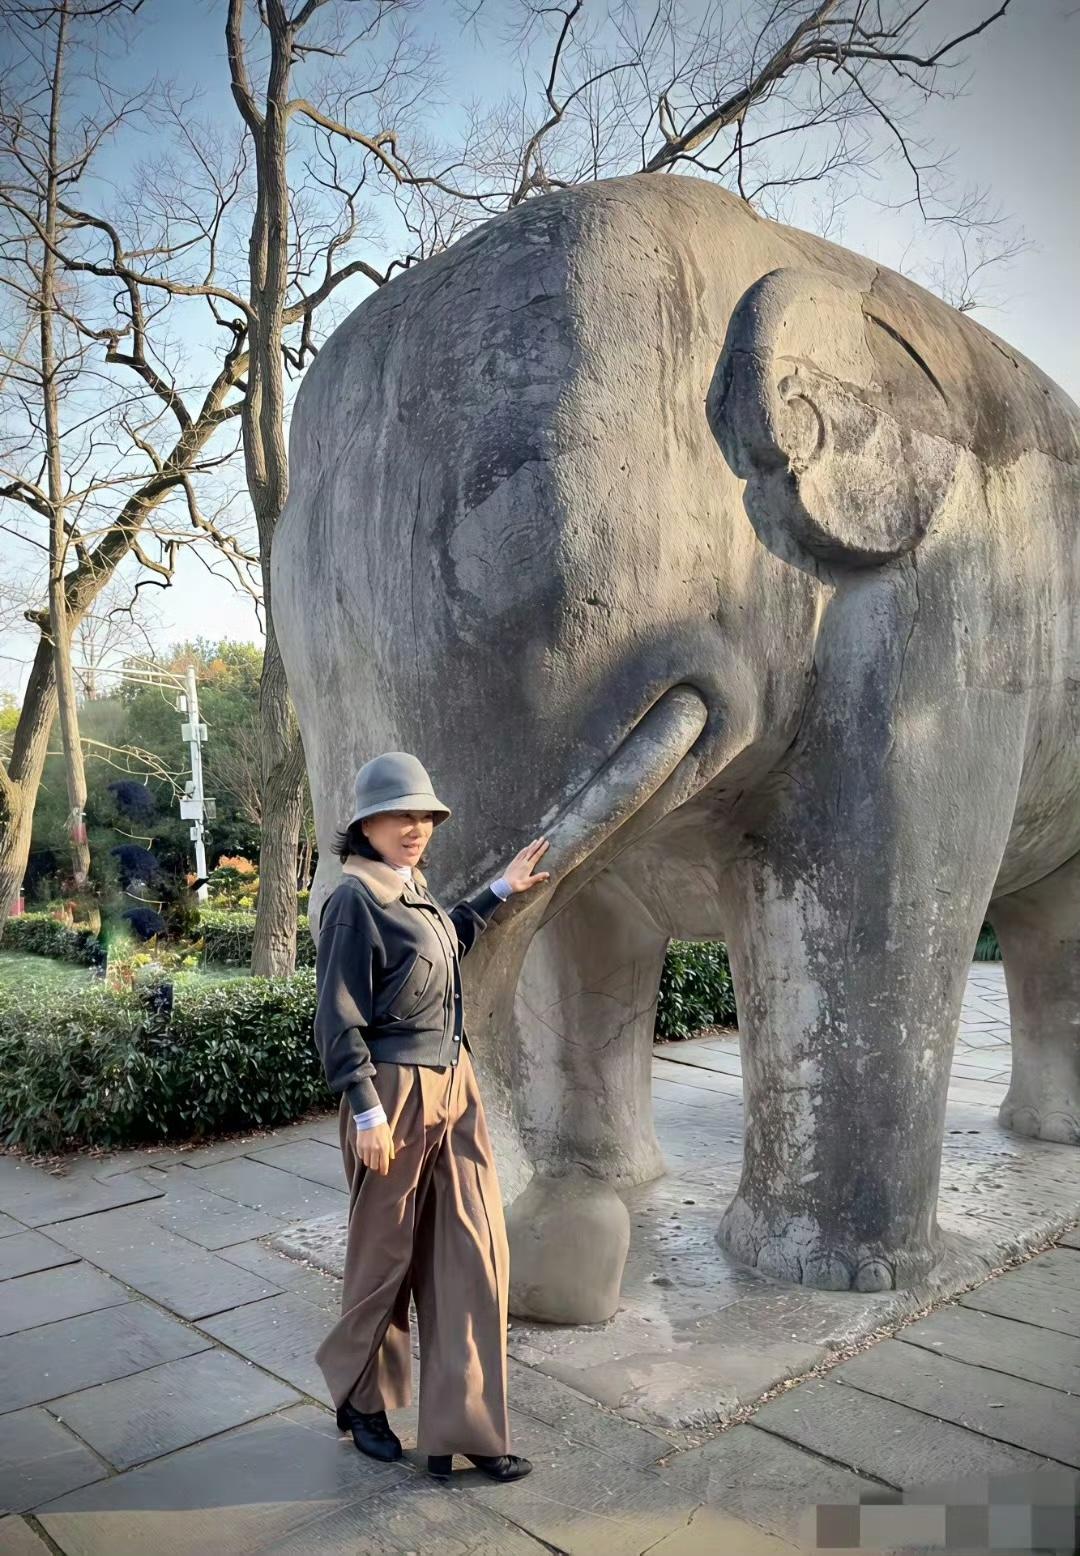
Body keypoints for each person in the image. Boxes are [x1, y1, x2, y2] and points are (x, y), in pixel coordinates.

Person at [312, 751, 551, 1484]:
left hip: (455, 1082)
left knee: (473, 1253)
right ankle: (361, 1398)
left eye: (425, 815)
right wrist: (366, 1110)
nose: (416, 827)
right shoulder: (353, 900)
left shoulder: (411, 893)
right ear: (366, 825)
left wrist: (499, 891)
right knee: (385, 1258)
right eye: (400, 815)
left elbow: (444, 942)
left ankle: (466, 1425)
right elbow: (338, 1018)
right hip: (393, 1092)